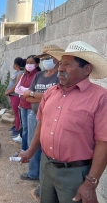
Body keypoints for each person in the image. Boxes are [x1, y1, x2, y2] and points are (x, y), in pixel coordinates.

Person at [20, 41, 107, 203]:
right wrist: (30, 152)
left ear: (86, 69)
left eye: (67, 64)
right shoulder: (51, 93)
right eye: (60, 63)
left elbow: (104, 142)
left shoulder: (100, 97)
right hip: (46, 166)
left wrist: (90, 183)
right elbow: (42, 124)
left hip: (75, 173)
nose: (60, 68)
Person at [20, 46, 63, 198]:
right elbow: (27, 97)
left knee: (48, 151)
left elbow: (55, 97)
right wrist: (37, 95)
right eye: (43, 58)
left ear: (57, 59)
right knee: (34, 145)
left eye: (47, 57)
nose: (44, 60)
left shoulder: (60, 76)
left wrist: (33, 94)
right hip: (34, 115)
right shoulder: (39, 75)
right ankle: (33, 174)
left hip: (53, 118)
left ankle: (44, 183)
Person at [14, 55, 41, 151]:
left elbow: (35, 91)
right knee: (25, 129)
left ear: (37, 64)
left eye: (31, 63)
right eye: (27, 62)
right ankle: (24, 149)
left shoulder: (38, 75)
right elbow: (17, 90)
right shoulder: (24, 75)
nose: (28, 65)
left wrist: (26, 91)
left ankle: (31, 151)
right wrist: (28, 91)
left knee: (32, 130)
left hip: (32, 106)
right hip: (23, 105)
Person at [4, 57, 26, 138]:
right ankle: (15, 126)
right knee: (15, 112)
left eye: (13, 64)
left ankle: (17, 129)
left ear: (16, 64)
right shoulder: (16, 72)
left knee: (17, 114)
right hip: (12, 95)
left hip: (15, 95)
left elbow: (16, 85)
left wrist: (8, 91)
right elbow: (11, 82)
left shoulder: (20, 73)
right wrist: (7, 90)